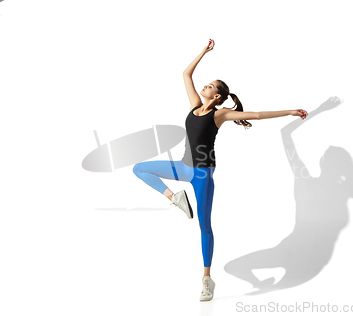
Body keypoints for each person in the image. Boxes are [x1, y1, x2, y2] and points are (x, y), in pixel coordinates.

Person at [132, 39, 308, 301]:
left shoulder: (220, 114)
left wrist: (291, 111)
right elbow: (186, 74)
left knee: (204, 225)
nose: (205, 85)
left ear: (216, 96)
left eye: (211, 86)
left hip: (203, 174)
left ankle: (206, 279)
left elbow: (257, 115)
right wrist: (203, 51)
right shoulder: (194, 105)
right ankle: (175, 197)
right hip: (183, 168)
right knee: (140, 168)